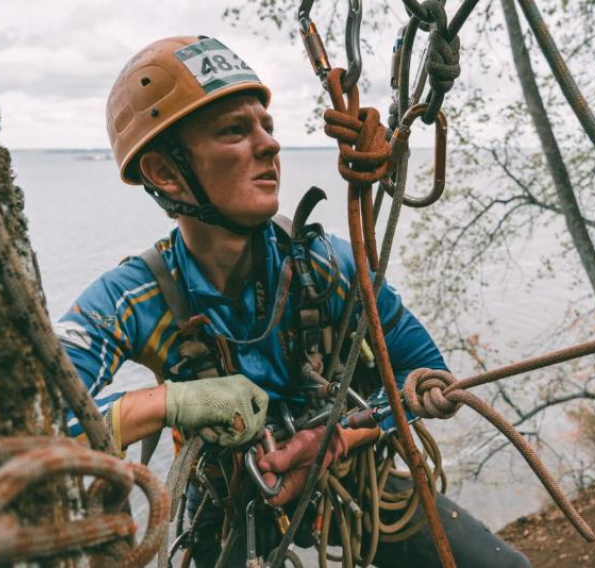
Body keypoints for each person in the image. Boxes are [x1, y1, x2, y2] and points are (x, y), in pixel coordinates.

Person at [56, 35, 530, 567]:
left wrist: (339, 438)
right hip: (227, 494)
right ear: (166, 173)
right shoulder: (132, 299)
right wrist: (175, 403)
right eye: (235, 130)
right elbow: (38, 422)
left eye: (267, 125)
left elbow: (426, 375)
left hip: (347, 474)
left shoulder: (327, 264)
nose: (270, 145)